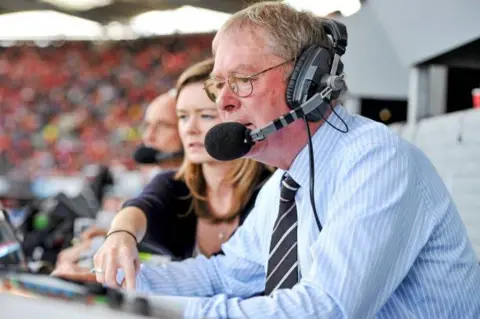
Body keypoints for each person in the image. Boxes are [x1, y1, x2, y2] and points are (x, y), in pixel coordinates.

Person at [69, 3, 480, 318]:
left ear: (307, 83)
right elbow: (224, 275)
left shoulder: (375, 161)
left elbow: (326, 309)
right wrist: (111, 281)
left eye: (243, 80)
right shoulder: (285, 185)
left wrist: (165, 310)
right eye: (219, 84)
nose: (224, 101)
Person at [53, 58, 272, 279]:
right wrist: (120, 235)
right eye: (183, 117)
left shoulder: (271, 191)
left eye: (206, 115)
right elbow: (140, 208)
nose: (190, 129)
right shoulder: (173, 184)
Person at [54, 91, 184, 265]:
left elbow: (181, 258)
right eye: (147, 126)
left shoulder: (195, 186)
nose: (148, 136)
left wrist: (101, 270)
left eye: (163, 126)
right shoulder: (163, 181)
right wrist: (113, 236)